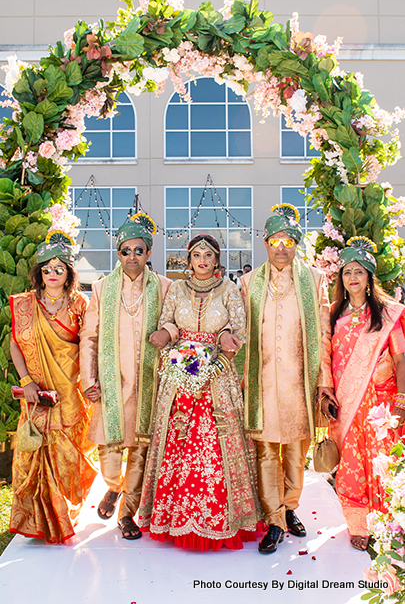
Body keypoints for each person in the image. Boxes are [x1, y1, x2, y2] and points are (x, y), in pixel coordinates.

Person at [138, 234, 262, 551]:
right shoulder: (177, 290)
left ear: (217, 260)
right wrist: (166, 333)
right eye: (196, 255)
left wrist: (224, 342)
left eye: (208, 255)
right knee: (177, 440)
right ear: (188, 259)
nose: (202, 260)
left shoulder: (229, 290)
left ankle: (222, 520)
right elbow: (168, 319)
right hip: (180, 373)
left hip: (217, 374)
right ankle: (173, 519)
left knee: (214, 444)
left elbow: (238, 326)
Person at [241, 203, 335, 554]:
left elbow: (323, 333)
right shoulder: (249, 282)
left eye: (288, 241)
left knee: (296, 452)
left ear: (297, 245)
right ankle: (274, 520)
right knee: (265, 453)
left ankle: (290, 507)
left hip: (299, 382)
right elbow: (240, 332)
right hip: (261, 383)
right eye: (275, 240)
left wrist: (323, 381)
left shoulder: (313, 279)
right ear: (265, 244)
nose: (281, 247)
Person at [80, 214, 175, 540]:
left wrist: (168, 330)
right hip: (111, 383)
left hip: (151, 382)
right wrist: (89, 381)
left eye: (138, 250)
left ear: (148, 253)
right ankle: (113, 487)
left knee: (140, 452)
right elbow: (89, 338)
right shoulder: (102, 288)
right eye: (125, 251)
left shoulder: (165, 288)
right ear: (117, 254)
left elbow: (179, 322)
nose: (132, 257)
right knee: (110, 452)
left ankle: (127, 514)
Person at [9, 231, 97, 544]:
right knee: (35, 455)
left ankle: (65, 516)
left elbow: (89, 345)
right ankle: (37, 520)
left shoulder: (80, 305)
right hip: (35, 396)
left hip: (69, 394)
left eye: (60, 269)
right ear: (39, 273)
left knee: (68, 458)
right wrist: (26, 381)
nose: (53, 274)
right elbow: (15, 345)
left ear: (69, 273)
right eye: (47, 269)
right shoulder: (24, 304)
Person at [328, 237, 405, 551]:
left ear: (370, 278)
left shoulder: (388, 314)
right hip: (348, 406)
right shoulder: (334, 315)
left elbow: (400, 358)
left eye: (359, 272)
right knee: (352, 466)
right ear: (342, 279)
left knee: (383, 464)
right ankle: (358, 525)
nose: (353, 278)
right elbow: (327, 360)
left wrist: (401, 400)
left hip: (381, 406)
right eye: (347, 272)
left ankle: (389, 523)